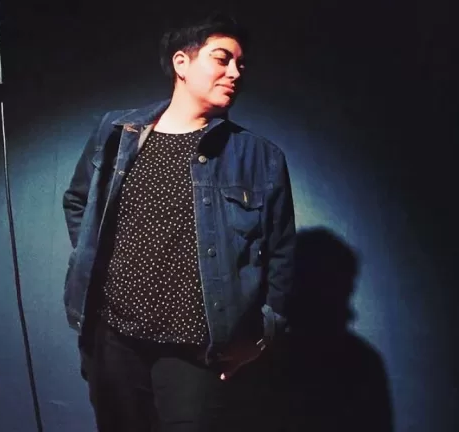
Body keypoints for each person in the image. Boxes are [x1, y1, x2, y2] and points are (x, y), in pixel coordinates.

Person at [62, 12, 296, 432]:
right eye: (222, 59)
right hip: (114, 340)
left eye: (241, 64)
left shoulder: (260, 157)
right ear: (181, 63)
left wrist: (262, 336)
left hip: (198, 351)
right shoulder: (116, 132)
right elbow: (79, 201)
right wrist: (93, 263)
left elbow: (281, 253)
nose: (235, 73)